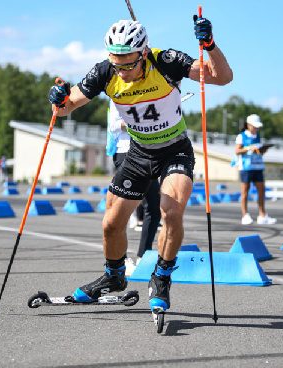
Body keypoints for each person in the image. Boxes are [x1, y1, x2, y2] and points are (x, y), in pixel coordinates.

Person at [48, 17, 232, 313]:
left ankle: (161, 275)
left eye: (128, 64)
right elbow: (67, 106)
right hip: (138, 153)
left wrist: (209, 46)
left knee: (171, 213)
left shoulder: (166, 61)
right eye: (116, 63)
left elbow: (222, 77)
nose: (122, 71)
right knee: (111, 224)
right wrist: (57, 99)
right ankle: (114, 276)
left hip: (174, 151)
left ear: (143, 53)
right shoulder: (105, 72)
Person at [106, 99, 161, 275]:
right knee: (122, 210)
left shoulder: (151, 92)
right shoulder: (119, 94)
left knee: (154, 207)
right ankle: (119, 260)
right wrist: (137, 122)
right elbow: (114, 126)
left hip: (147, 153)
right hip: (125, 152)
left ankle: (143, 256)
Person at [234, 114, 276, 225]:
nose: (256, 128)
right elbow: (237, 151)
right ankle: (245, 215)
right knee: (245, 191)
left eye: (257, 126)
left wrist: (262, 150)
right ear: (248, 125)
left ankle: (262, 215)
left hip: (258, 166)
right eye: (254, 126)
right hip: (246, 167)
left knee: (261, 190)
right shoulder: (241, 136)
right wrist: (249, 148)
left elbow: (258, 151)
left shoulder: (257, 136)